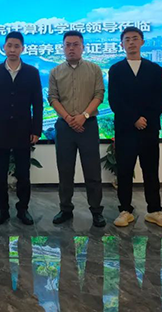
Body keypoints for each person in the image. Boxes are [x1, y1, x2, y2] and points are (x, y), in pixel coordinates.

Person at [108, 26, 162, 228]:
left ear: (142, 42)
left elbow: (161, 98)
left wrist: (146, 118)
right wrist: (134, 119)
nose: (131, 42)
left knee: (151, 171)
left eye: (135, 38)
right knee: (124, 171)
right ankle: (125, 210)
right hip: (125, 130)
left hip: (150, 129)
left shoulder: (155, 69)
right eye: (127, 39)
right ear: (122, 44)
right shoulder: (116, 70)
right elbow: (115, 101)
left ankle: (154, 211)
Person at [0, 31, 43, 226]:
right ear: (4, 47)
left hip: (23, 131)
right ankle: (2, 210)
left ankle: (23, 209)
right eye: (9, 45)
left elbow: (38, 104)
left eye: (16, 46)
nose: (12, 49)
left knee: (23, 174)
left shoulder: (32, 72)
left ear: (22, 48)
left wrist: (36, 130)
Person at [48, 31, 106, 227]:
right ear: (63, 47)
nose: (71, 48)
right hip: (64, 127)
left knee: (92, 171)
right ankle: (65, 209)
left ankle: (96, 211)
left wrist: (84, 116)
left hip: (88, 126)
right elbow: (53, 98)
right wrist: (68, 118)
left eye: (75, 44)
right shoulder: (55, 72)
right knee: (65, 171)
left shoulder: (94, 69)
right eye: (67, 45)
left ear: (83, 47)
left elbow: (99, 95)